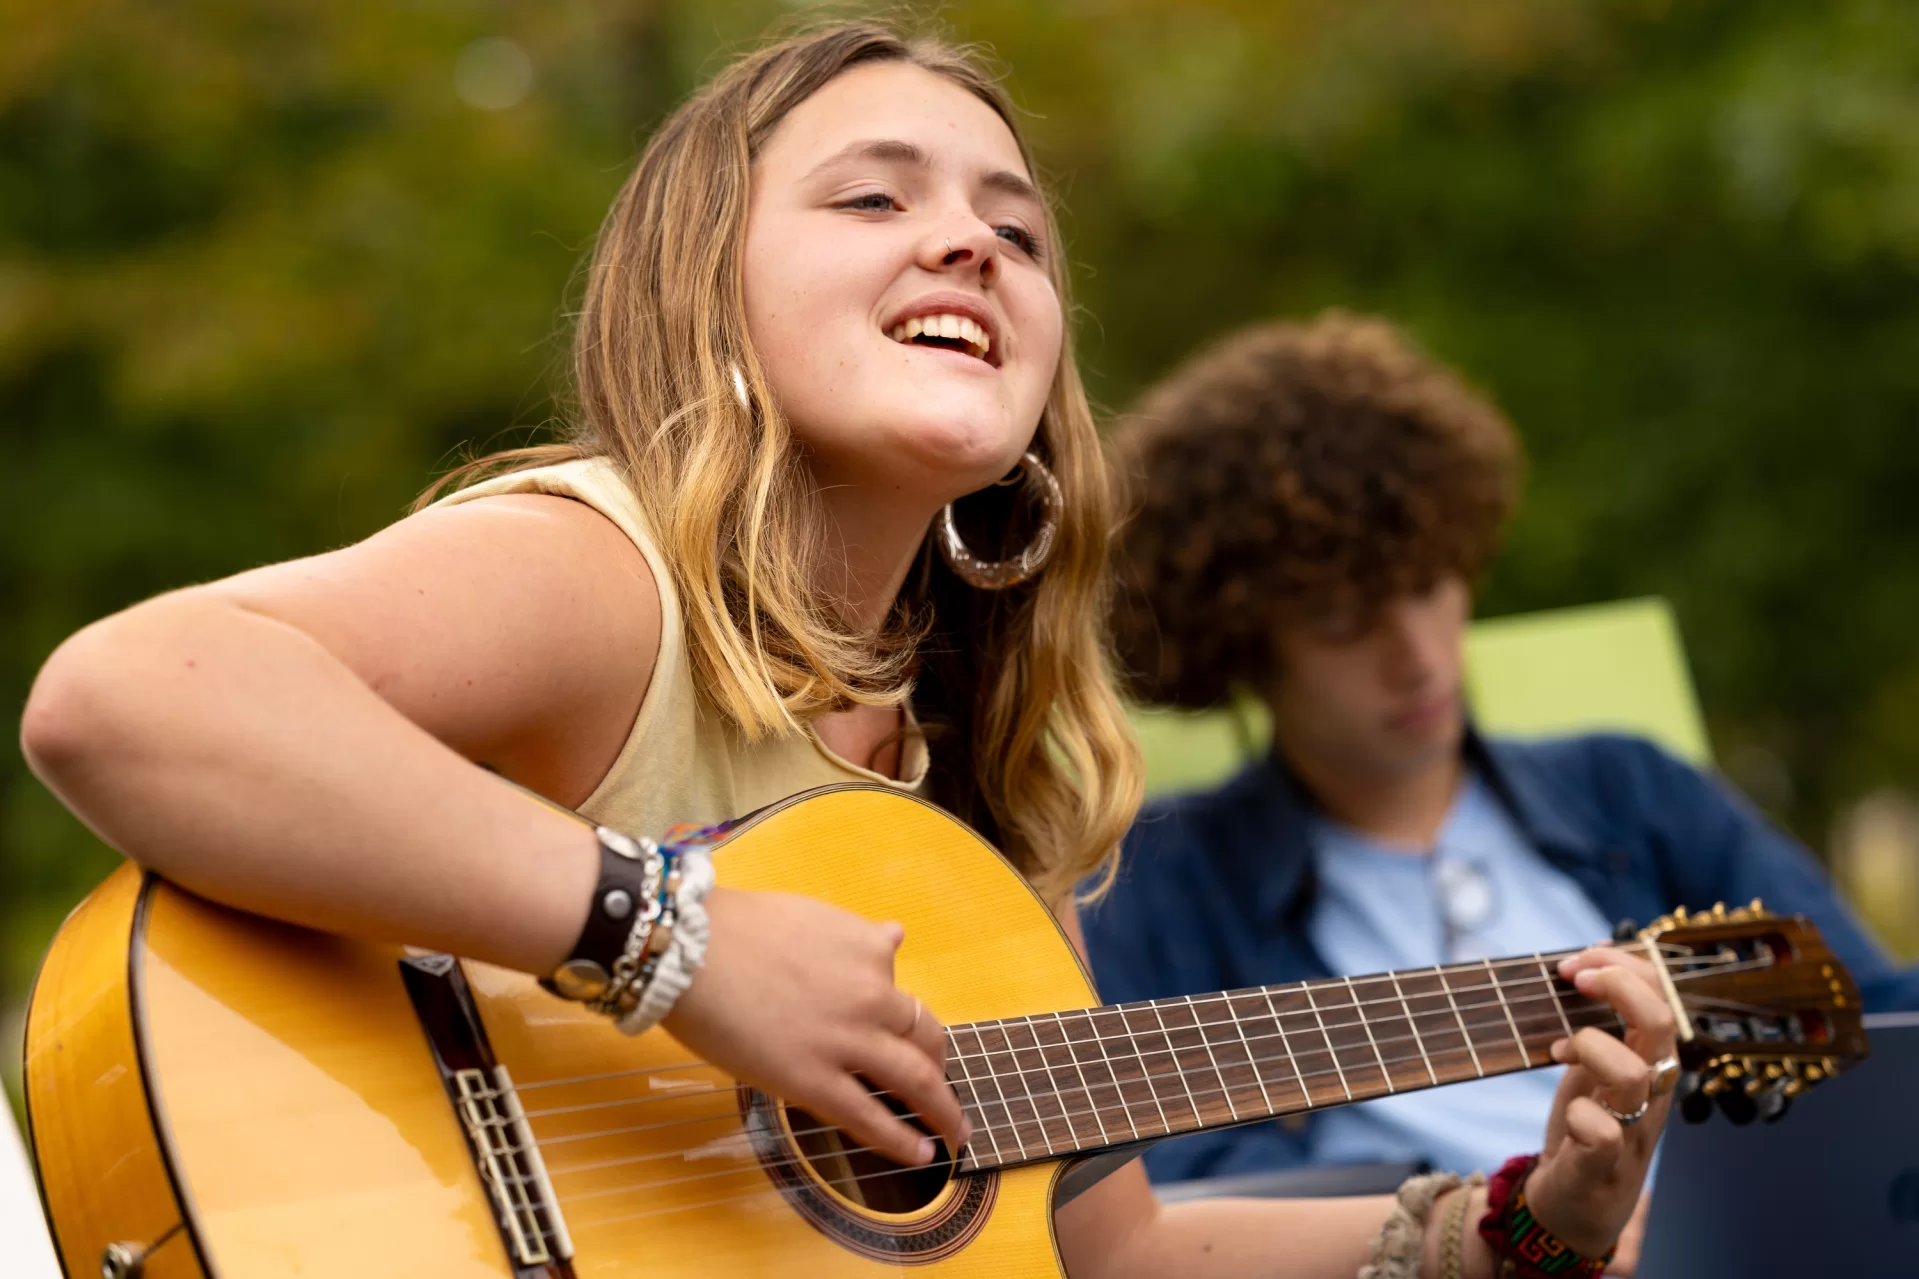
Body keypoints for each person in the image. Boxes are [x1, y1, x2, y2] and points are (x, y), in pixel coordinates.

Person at [21, 25, 1674, 1278]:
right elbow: (123, 698)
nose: (967, 243)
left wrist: (1513, 1221)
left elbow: (1110, 1254)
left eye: (1015, 233)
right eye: (873, 197)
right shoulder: (604, 579)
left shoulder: (975, 785)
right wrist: (672, 946)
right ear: (704, 294)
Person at [1084, 312, 1915, 1196]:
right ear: (1240, 642)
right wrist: (1503, 1229)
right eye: (1343, 617)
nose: (1419, 655)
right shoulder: (1154, 881)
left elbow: (1867, 1019)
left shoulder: (1629, 791)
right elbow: (1174, 1197)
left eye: (1428, 583)